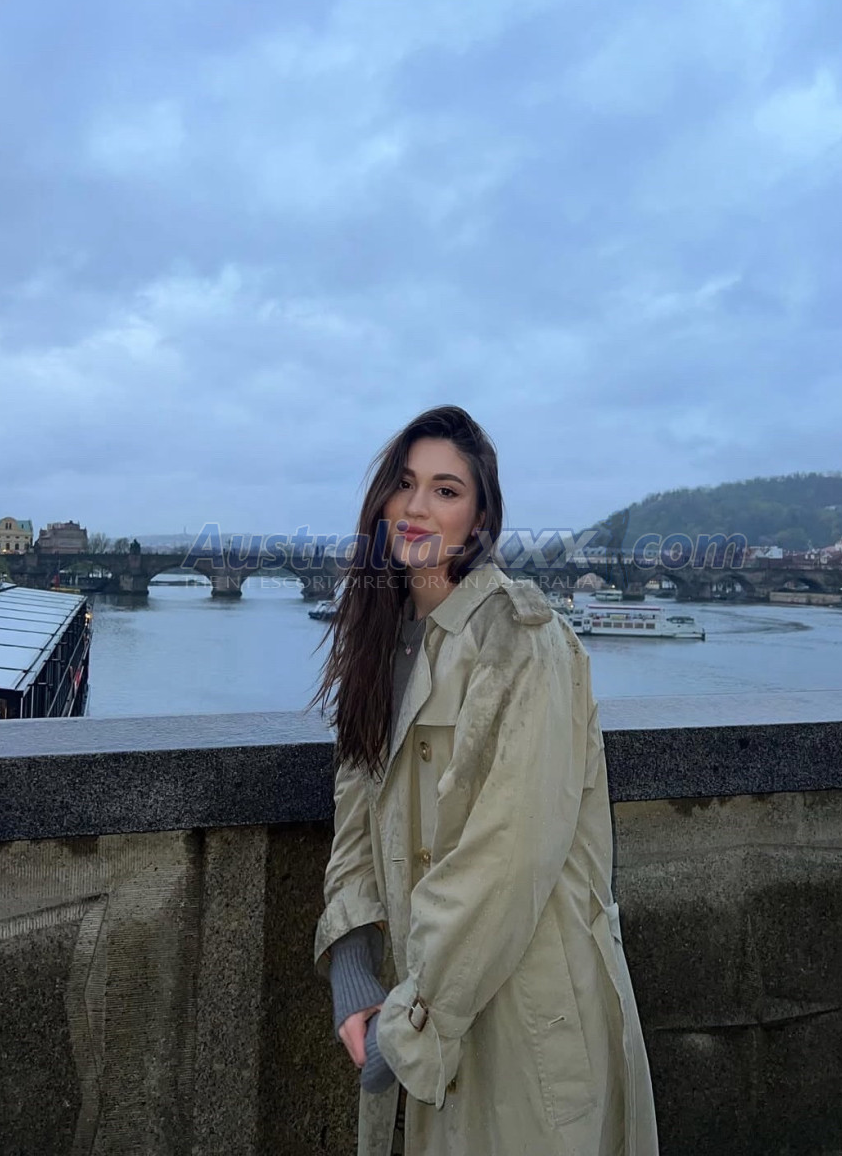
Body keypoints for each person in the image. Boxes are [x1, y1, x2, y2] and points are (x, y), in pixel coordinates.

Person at [310, 405, 659, 1155]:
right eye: (404, 484)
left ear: (478, 519)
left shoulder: (524, 645)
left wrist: (408, 1027)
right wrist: (353, 963)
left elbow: (507, 857)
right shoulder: (383, 643)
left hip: (524, 1015)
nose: (416, 507)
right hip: (425, 1002)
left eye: (445, 490)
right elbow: (357, 813)